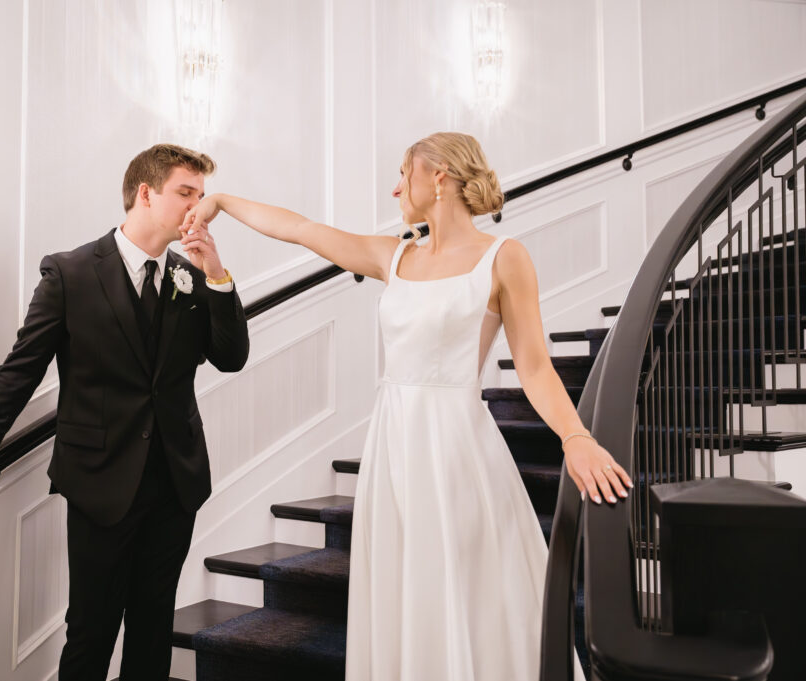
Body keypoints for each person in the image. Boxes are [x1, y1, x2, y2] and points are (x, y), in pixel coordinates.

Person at [182, 132, 633, 680]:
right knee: (404, 589)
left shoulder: (504, 257)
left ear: (437, 178)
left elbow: (534, 367)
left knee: (461, 589)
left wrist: (575, 438)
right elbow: (301, 229)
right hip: (393, 450)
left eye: (403, 173)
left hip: (457, 450)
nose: (396, 187)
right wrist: (222, 202)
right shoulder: (393, 255)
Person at [0, 143, 250, 680]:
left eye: (201, 197)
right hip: (100, 483)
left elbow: (231, 358)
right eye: (186, 193)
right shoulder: (70, 274)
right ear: (145, 192)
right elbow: (20, 370)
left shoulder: (191, 275)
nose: (196, 209)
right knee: (91, 630)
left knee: (154, 626)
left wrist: (217, 273)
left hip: (176, 484)